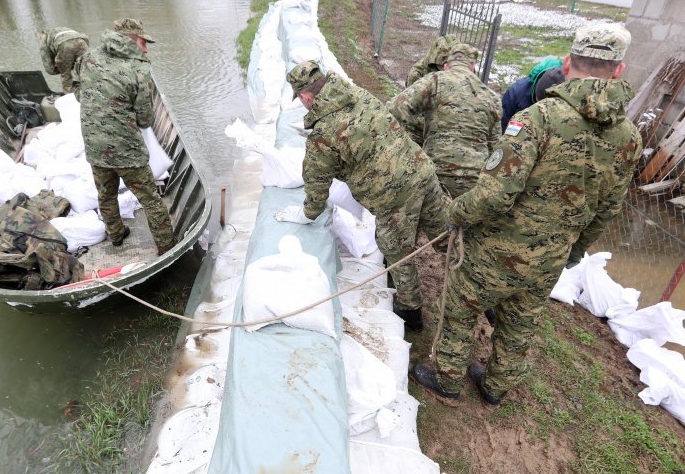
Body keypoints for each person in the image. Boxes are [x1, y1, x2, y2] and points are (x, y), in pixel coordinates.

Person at [411, 23, 642, 405]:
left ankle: (448, 378)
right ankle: (495, 386)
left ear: (567, 64)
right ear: (618, 70)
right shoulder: (629, 138)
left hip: (498, 249)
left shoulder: (537, 119)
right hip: (551, 254)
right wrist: (572, 250)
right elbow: (607, 209)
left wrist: (456, 213)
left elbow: (496, 193)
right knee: (521, 319)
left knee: (460, 305)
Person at [275, 60, 449, 331]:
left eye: (301, 100)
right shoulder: (358, 94)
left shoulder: (323, 134)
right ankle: (478, 285)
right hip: (421, 170)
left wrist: (307, 213)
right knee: (445, 234)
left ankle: (410, 312)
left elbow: (316, 182)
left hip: (395, 195)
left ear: (305, 96)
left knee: (396, 249)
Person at [75, 18, 175, 255]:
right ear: (130, 40)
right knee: (150, 198)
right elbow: (145, 120)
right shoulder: (139, 69)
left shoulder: (88, 57)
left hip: (94, 146)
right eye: (143, 42)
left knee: (106, 193)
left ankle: (116, 235)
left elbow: (80, 94)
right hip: (126, 151)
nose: (146, 49)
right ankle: (166, 246)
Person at [389, 43, 501, 198]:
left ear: (447, 65)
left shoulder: (435, 80)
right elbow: (496, 150)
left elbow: (396, 107)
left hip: (436, 177)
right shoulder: (492, 98)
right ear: (473, 67)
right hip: (474, 184)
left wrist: (409, 145)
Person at [501, 56, 565, 132]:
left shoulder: (568, 94)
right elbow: (504, 123)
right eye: (538, 102)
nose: (541, 108)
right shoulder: (515, 93)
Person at [38, 27, 89, 93]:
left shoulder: (43, 37)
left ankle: (69, 97)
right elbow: (85, 39)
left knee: (66, 77)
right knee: (87, 70)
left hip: (64, 45)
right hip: (82, 41)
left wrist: (65, 67)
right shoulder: (60, 29)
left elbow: (50, 69)